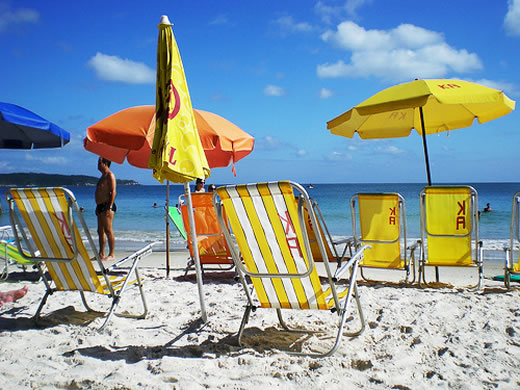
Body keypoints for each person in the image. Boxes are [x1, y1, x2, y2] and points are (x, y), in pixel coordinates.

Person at [95, 157, 117, 261]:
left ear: (105, 164)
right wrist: (97, 206)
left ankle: (112, 254)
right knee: (100, 231)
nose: (98, 165)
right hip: (100, 206)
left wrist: (110, 206)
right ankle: (101, 253)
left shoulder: (110, 175)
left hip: (107, 205)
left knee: (108, 230)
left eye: (99, 163)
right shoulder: (102, 177)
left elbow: (113, 191)